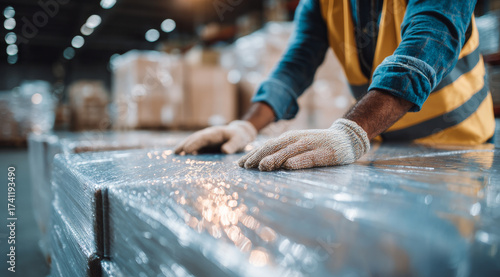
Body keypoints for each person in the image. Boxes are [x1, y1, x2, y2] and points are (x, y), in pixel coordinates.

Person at [175, 0, 496, 171]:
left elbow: (428, 45)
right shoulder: (321, 3)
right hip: (388, 144)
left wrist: (351, 132)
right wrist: (246, 126)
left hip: (460, 148)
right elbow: (295, 65)